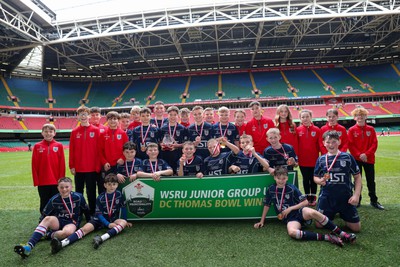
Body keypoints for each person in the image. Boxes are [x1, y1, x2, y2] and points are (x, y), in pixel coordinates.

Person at [254, 167, 356, 247]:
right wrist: (262, 221)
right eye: (278, 178)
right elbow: (267, 204)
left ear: (287, 178)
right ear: (274, 177)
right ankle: (327, 237)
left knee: (312, 212)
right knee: (292, 233)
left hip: (299, 211)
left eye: (284, 178)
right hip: (290, 219)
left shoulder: (291, 188)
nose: (281, 181)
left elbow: (305, 202)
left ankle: (342, 234)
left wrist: (291, 208)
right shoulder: (271, 189)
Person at [50, 174, 132, 253]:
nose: (111, 186)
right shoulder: (100, 198)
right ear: (105, 185)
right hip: (98, 220)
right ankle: (61, 244)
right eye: (109, 184)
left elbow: (123, 208)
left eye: (114, 184)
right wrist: (108, 224)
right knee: (84, 230)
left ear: (117, 185)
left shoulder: (119, 195)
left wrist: (125, 220)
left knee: (123, 223)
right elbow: (99, 214)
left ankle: (100, 239)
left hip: (113, 219)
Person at [14, 177, 89, 258]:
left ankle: (47, 234)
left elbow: (85, 209)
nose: (64, 190)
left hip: (71, 222)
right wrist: (41, 225)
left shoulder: (78, 197)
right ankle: (29, 246)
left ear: (71, 187)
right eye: (61, 187)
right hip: (58, 220)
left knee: (66, 233)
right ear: (58, 188)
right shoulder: (54, 199)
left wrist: (89, 220)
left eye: (67, 187)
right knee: (47, 219)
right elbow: (45, 214)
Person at [314, 131, 362, 232]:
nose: (331, 145)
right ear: (323, 143)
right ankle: (331, 214)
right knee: (319, 225)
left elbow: (357, 177)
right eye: (328, 142)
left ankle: (342, 214)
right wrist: (320, 181)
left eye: (334, 141)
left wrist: (356, 195)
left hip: (345, 198)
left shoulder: (348, 157)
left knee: (356, 228)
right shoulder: (321, 159)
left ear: (339, 142)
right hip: (327, 198)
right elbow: (315, 177)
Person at [348, 107, 384, 210]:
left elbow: (374, 144)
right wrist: (359, 155)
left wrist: (366, 155)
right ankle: (357, 200)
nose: (360, 117)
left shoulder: (371, 129)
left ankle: (374, 201)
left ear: (366, 116)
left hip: (369, 159)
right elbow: (351, 145)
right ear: (355, 117)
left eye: (362, 115)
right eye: (358, 115)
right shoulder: (351, 130)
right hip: (356, 159)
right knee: (357, 181)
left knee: (371, 180)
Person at [69, 106, 101, 216]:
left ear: (89, 116)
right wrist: (71, 165)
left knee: (91, 191)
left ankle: (92, 212)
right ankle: (79, 211)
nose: (83, 116)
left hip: (92, 168)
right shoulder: (74, 132)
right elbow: (72, 150)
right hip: (78, 168)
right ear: (78, 117)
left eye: (85, 114)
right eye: (81, 114)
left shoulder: (96, 131)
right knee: (78, 191)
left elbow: (99, 150)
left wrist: (97, 165)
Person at [32, 123, 65, 214]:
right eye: (46, 131)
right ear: (42, 133)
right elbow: (34, 164)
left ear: (54, 133)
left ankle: (56, 218)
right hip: (43, 181)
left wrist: (61, 180)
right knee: (44, 201)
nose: (48, 133)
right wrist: (36, 180)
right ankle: (43, 218)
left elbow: (62, 164)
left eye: (50, 131)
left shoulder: (59, 145)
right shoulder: (37, 146)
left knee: (56, 200)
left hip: (56, 181)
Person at [296, 109, 321, 206]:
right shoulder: (298, 130)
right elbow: (296, 145)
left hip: (314, 160)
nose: (305, 119)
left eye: (307, 116)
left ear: (311, 117)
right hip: (303, 161)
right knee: (305, 179)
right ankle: (307, 198)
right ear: (300, 119)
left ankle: (313, 198)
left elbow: (319, 145)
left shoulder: (317, 130)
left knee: (313, 180)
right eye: (303, 117)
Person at [99, 111, 129, 178]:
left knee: (120, 185)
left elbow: (127, 148)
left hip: (120, 164)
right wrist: (104, 162)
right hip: (107, 165)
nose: (112, 121)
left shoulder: (123, 133)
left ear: (118, 120)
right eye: (110, 119)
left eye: (115, 119)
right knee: (108, 185)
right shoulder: (103, 134)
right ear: (107, 121)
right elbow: (100, 151)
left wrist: (123, 158)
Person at [159, 106, 187, 173]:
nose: (173, 117)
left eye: (175, 115)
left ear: (178, 116)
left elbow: (186, 143)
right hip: (165, 155)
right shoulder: (162, 128)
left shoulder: (183, 128)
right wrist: (161, 145)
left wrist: (177, 145)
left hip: (177, 155)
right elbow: (159, 141)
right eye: (170, 115)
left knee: (177, 173)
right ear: (167, 115)